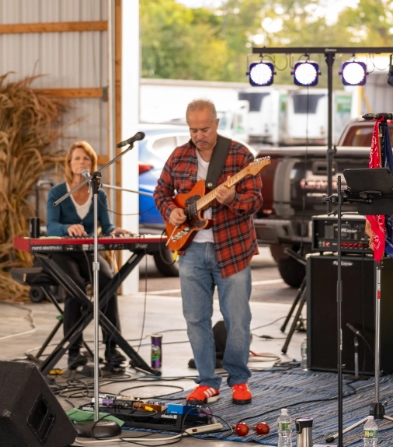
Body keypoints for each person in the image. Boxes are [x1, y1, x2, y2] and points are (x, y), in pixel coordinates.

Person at [154, 99, 262, 405]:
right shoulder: (178, 155)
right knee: (195, 318)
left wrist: (231, 200)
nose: (198, 135)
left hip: (233, 250)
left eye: (204, 128)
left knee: (237, 319)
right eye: (192, 129)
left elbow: (255, 201)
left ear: (216, 123)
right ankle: (206, 381)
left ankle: (239, 380)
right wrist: (171, 213)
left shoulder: (241, 155)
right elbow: (161, 192)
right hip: (190, 250)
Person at [46, 140, 132, 371]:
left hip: (89, 253)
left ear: (92, 164)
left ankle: (112, 349)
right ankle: (74, 351)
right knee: (74, 287)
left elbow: (106, 224)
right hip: (63, 254)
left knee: (109, 283)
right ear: (69, 163)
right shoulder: (57, 192)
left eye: (86, 159)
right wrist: (67, 228)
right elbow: (51, 225)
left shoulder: (99, 193)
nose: (82, 162)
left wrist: (115, 230)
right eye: (77, 158)